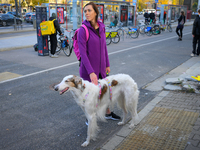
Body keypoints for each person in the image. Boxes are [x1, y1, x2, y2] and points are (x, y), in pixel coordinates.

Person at [78, 2, 121, 121]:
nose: (86, 13)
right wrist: (91, 72)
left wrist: (107, 64)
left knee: (104, 92)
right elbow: (83, 55)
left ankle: (107, 113)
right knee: (90, 96)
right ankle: (89, 118)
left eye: (89, 10)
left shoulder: (101, 27)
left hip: (102, 69)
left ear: (96, 12)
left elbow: (104, 48)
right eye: (85, 11)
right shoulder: (83, 30)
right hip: (88, 70)